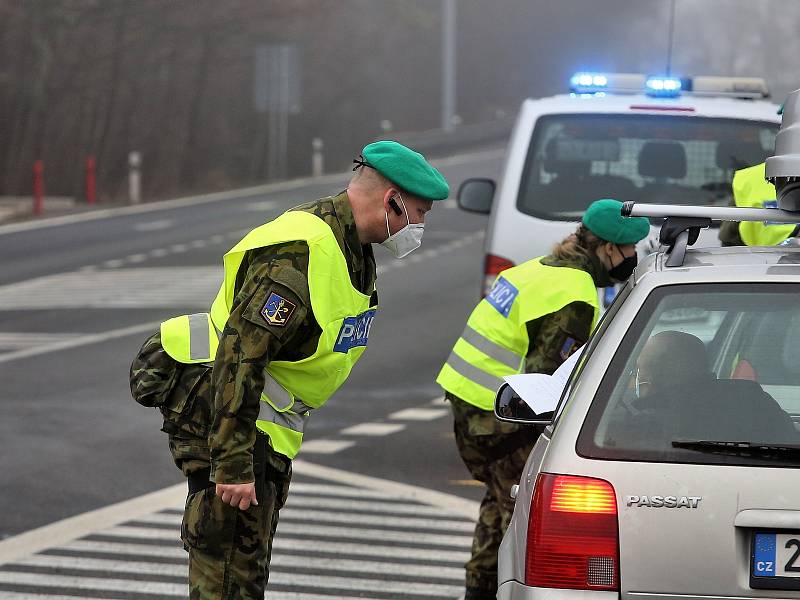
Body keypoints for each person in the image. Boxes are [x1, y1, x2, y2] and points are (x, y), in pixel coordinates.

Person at [130, 140, 449, 599]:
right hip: (230, 423)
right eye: (418, 212)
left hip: (263, 425)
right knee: (227, 579)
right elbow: (241, 356)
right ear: (390, 200)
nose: (419, 225)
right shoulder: (302, 252)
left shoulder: (351, 246)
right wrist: (234, 465)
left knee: (246, 573)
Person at [435, 198, 650, 600]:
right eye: (630, 250)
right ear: (607, 249)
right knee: (518, 516)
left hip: (469, 402)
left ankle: (477, 590)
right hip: (499, 416)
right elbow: (547, 384)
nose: (633, 257)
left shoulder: (537, 269)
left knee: (499, 505)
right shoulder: (574, 295)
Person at [626, 331, 797, 446]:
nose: (637, 377)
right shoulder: (756, 401)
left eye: (639, 371)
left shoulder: (644, 425)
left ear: (653, 377)